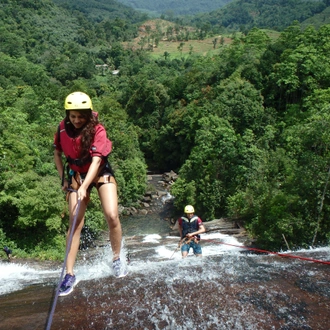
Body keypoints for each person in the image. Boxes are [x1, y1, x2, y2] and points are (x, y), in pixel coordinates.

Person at [53, 91, 127, 296]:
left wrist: (85, 186)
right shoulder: (61, 129)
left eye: (80, 116)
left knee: (112, 215)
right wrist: (65, 179)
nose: (76, 120)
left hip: (99, 172)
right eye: (72, 116)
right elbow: (57, 153)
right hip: (76, 174)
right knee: (75, 222)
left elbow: (96, 161)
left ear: (88, 114)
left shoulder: (98, 130)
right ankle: (69, 274)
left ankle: (117, 258)